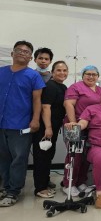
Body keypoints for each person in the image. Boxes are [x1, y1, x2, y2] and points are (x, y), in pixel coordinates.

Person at [0, 40, 45, 207]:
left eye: (26, 52)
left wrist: (35, 119)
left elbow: (37, 100)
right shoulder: (1, 72)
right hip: (1, 123)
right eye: (18, 50)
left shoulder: (33, 76)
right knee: (3, 158)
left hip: (20, 124)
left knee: (19, 159)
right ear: (12, 54)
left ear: (30, 58)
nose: (22, 53)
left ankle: (13, 191)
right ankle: (5, 187)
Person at [62, 65, 101, 197]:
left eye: (94, 74)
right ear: (83, 75)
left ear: (98, 76)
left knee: (86, 156)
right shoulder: (76, 87)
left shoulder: (100, 90)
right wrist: (73, 122)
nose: (91, 76)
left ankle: (80, 181)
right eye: (88, 74)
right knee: (74, 155)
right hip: (75, 126)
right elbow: (68, 104)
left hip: (92, 128)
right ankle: (68, 184)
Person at [32, 61, 68, 198]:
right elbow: (45, 107)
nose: (62, 73)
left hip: (53, 127)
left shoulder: (63, 87)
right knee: (42, 157)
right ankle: (40, 188)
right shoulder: (50, 86)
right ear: (52, 72)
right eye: (59, 70)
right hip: (45, 128)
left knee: (48, 156)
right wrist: (48, 127)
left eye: (65, 70)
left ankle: (45, 182)